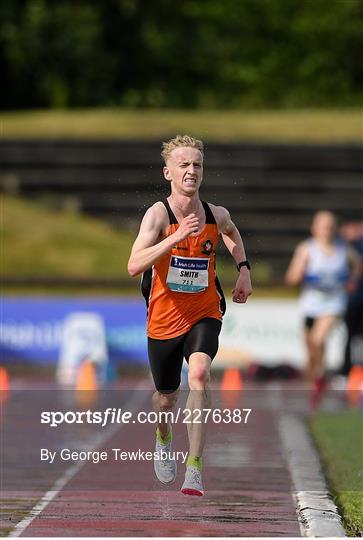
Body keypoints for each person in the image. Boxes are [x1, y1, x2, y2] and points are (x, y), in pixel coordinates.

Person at [127, 135, 252, 496]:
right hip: (164, 318)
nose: (192, 171)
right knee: (165, 397)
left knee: (199, 373)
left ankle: (194, 467)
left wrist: (243, 267)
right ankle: (163, 435)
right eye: (184, 165)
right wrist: (174, 237)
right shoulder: (157, 215)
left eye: (197, 164)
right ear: (168, 172)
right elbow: (134, 264)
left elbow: (231, 233)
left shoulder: (217, 214)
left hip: (204, 311)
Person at [285, 211, 360, 404]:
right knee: (310, 351)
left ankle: (319, 378)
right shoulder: (307, 249)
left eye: (330, 226)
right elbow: (291, 277)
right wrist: (302, 276)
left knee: (318, 339)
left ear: (335, 229)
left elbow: (358, 266)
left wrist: (351, 280)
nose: (327, 230)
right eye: (323, 226)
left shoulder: (344, 250)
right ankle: (317, 379)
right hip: (311, 304)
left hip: (334, 304)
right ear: (315, 228)